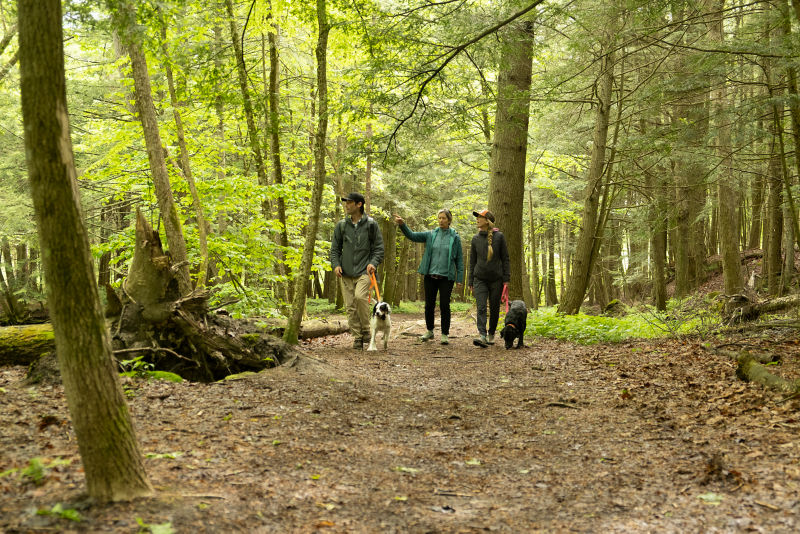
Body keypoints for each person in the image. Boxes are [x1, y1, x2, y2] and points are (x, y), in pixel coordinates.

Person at [394, 209, 464, 345]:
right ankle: (430, 331)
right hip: (430, 276)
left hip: (446, 277)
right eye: (439, 218)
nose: (441, 220)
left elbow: (459, 259)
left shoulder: (454, 237)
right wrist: (402, 225)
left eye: (444, 218)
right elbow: (412, 236)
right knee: (429, 305)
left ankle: (444, 334)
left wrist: (459, 279)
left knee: (444, 305)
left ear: (449, 220)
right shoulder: (431, 234)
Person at [330, 192, 384, 349]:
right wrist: (336, 265)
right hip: (345, 273)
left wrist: (373, 263)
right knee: (350, 306)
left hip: (365, 271)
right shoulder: (341, 226)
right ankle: (357, 337)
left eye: (349, 202)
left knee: (360, 297)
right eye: (346, 202)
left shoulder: (371, 225)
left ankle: (366, 330)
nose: (346, 205)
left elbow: (379, 248)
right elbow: (335, 250)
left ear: (359, 204)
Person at [469, 209, 510, 348]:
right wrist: (470, 281)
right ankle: (482, 334)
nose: (477, 219)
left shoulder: (499, 237)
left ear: (487, 221)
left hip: (496, 280)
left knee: (494, 308)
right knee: (481, 307)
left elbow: (505, 259)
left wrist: (506, 279)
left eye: (480, 217)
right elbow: (472, 261)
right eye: (477, 217)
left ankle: (491, 333)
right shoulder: (475, 239)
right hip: (479, 279)